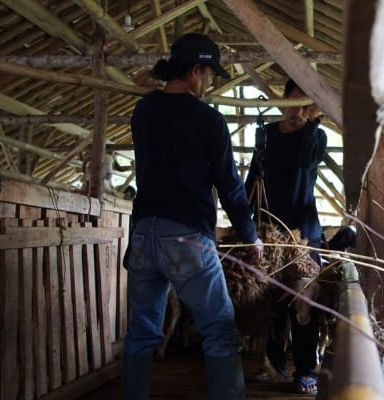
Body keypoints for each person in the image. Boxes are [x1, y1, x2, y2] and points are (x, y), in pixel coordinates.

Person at [123, 33, 262, 400]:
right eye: (210, 74)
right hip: (185, 237)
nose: (210, 82)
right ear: (195, 70)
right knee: (219, 330)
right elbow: (230, 186)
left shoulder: (143, 111)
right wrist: (250, 235)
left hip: (142, 235)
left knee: (140, 332)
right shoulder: (209, 120)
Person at [245, 78, 327, 395]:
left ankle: (306, 369)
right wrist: (246, 225)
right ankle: (275, 363)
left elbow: (306, 163)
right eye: (295, 104)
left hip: (304, 233)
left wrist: (310, 123)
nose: (299, 112)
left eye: (308, 106)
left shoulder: (315, 136)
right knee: (271, 300)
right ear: (283, 102)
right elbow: (254, 178)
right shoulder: (265, 136)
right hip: (268, 230)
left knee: (303, 298)